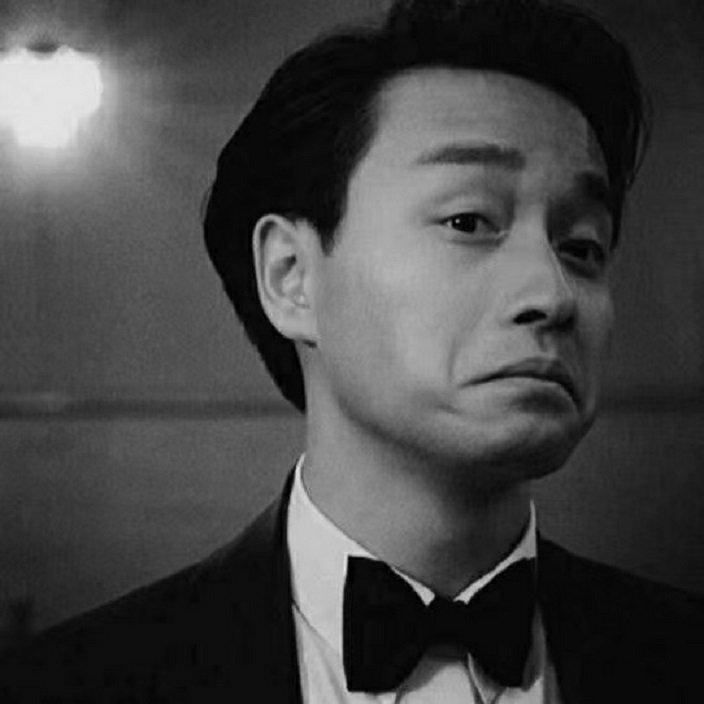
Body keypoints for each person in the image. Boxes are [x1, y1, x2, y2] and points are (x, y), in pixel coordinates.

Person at [2, 0, 702, 701]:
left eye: (583, 246)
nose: (552, 293)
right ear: (291, 277)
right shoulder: (70, 684)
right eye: (468, 220)